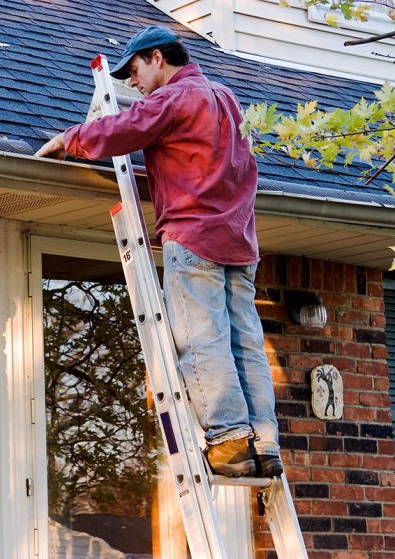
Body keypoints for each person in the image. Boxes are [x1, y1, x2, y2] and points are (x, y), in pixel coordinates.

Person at [35, 25, 282, 478]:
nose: (131, 83)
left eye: (133, 70)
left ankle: (228, 441)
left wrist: (70, 138)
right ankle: (263, 443)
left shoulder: (176, 98)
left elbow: (127, 127)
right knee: (245, 343)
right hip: (239, 242)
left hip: (195, 239)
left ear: (156, 58)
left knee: (201, 340)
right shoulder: (226, 98)